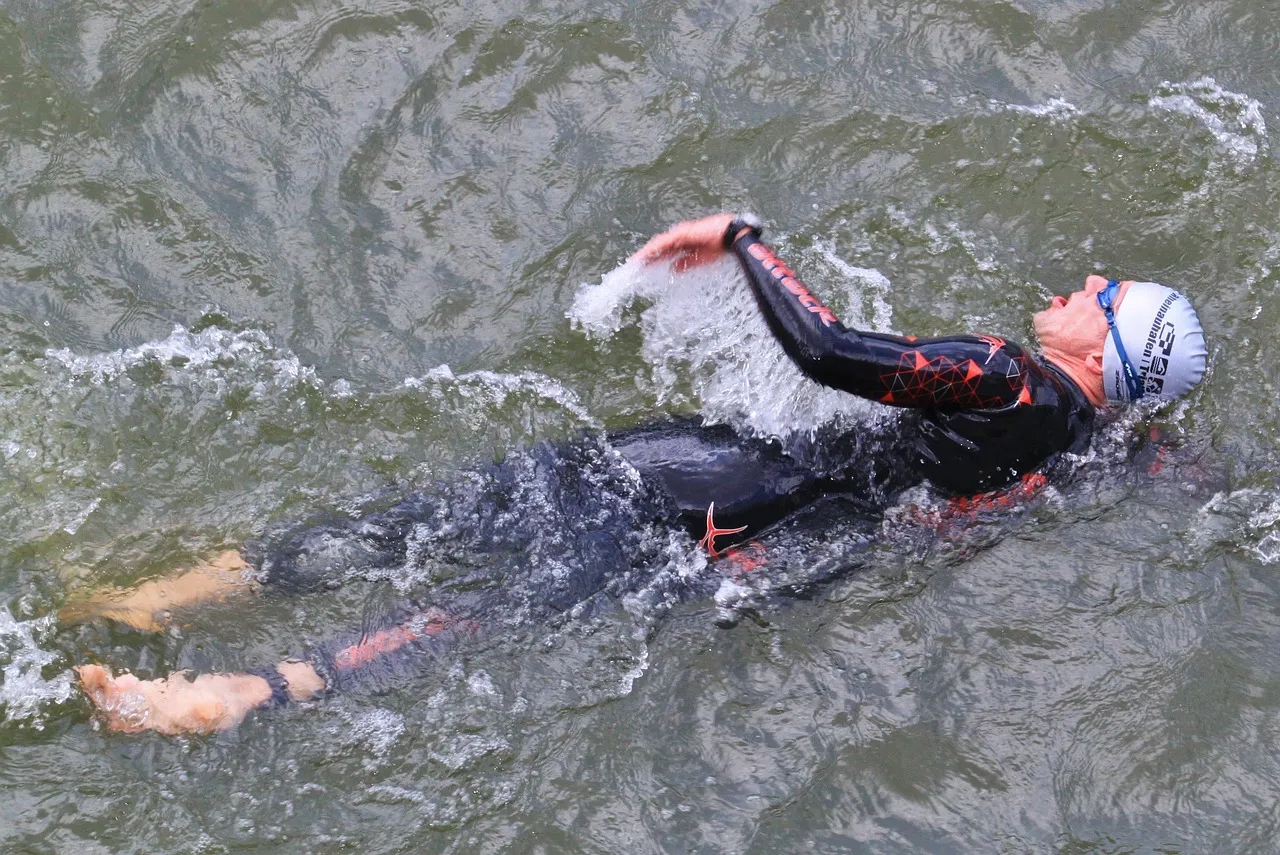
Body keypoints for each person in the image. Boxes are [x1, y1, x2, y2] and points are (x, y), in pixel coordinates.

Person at [73, 213, 1208, 734]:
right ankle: (228, 696)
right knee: (475, 612)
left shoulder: (1006, 377)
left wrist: (744, 242)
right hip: (752, 537)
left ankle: (155, 602)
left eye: (1102, 296)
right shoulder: (1080, 445)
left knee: (427, 519)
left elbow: (826, 353)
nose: (1086, 279)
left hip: (699, 471)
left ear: (1102, 343)